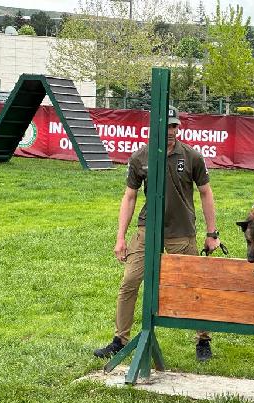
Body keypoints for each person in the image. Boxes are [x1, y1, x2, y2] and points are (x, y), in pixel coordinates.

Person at [94, 106, 220, 362]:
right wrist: (120, 238)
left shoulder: (192, 157)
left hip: (182, 232)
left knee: (192, 285)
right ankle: (120, 340)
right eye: (165, 126)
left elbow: (206, 193)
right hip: (147, 229)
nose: (170, 132)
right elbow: (129, 197)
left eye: (174, 126)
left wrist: (212, 233)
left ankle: (203, 340)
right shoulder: (141, 157)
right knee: (129, 281)